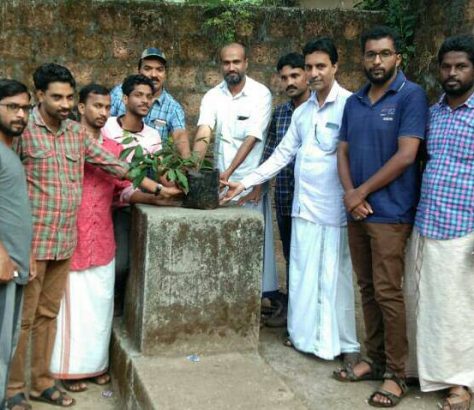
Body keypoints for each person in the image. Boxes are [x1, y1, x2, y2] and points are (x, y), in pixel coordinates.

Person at [6, 63, 163, 409]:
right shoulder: (22, 132)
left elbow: (115, 166)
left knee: (48, 316)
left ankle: (42, 382)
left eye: (68, 98)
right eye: (57, 98)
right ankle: (14, 388)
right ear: (40, 96)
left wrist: (159, 188)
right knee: (23, 320)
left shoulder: (76, 134)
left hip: (65, 242)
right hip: (31, 245)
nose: (64, 104)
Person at [221, 38, 360, 363]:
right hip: (303, 209)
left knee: (333, 278)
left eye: (320, 66)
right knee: (302, 275)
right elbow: (281, 155)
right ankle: (305, 338)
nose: (313, 73)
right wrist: (244, 182)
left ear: (335, 67)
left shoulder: (350, 105)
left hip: (334, 211)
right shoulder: (303, 113)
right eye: (309, 66)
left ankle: (342, 344)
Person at [49, 84, 181, 393]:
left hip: (102, 235)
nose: (102, 113)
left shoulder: (113, 146)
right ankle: (66, 369)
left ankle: (95, 366)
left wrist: (152, 198)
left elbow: (123, 187)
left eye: (107, 108)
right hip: (73, 233)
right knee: (72, 306)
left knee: (100, 303)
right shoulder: (68, 142)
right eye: (96, 106)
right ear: (81, 108)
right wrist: (156, 189)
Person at [334, 26, 428, 408]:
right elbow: (342, 151)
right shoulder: (354, 101)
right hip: (357, 211)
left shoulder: (411, 95)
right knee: (367, 288)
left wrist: (362, 192)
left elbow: (407, 155)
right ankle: (373, 361)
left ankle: (396, 373)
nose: (377, 61)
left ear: (397, 58)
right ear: (362, 58)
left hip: (391, 212)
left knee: (389, 292)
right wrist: (349, 196)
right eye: (371, 54)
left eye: (384, 54)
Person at [413, 34, 474, 410]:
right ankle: (430, 373)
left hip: (464, 227)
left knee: (459, 309)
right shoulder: (433, 112)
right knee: (430, 306)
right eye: (447, 66)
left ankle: (461, 384)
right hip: (427, 221)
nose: (452, 73)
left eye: (461, 66)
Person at [193, 42, 278, 297]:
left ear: (246, 63)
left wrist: (229, 172)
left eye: (236, 62)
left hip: (247, 183)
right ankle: (224, 297)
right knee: (222, 243)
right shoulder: (212, 96)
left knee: (250, 246)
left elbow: (252, 137)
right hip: (221, 183)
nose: (231, 67)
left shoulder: (261, 94)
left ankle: (256, 299)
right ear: (221, 64)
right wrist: (191, 169)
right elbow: (204, 131)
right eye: (226, 62)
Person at [259, 52, 310, 328]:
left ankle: (306, 315)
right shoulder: (280, 113)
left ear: (307, 75)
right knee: (291, 255)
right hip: (284, 197)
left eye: (295, 75)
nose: (290, 82)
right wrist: (257, 187)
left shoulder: (316, 110)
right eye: (285, 77)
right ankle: (292, 310)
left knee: (310, 258)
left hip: (314, 201)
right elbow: (270, 155)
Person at [104, 74, 163, 315]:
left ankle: (119, 306)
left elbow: (162, 170)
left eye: (149, 96)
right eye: (138, 95)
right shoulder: (107, 126)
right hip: (102, 201)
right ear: (125, 98)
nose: (145, 101)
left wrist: (176, 184)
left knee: (123, 264)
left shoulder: (152, 135)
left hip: (126, 204)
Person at [0, 79, 33, 410]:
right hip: (2, 264)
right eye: (12, 106)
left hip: (15, 264)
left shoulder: (8, 150)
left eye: (25, 107)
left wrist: (26, 255)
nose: (21, 114)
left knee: (6, 343)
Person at [110, 47, 190, 157]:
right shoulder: (120, 93)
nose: (153, 74)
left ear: (165, 74)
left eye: (159, 69)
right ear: (139, 71)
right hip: (116, 160)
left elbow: (180, 135)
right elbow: (104, 123)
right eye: (147, 68)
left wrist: (187, 163)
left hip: (152, 166)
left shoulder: (173, 107)